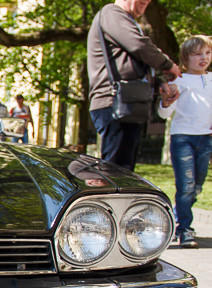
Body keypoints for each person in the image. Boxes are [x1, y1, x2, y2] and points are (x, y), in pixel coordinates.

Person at [87, 0, 181, 171]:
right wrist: (167, 65)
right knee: (115, 171)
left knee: (123, 170)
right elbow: (139, 45)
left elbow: (132, 65)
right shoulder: (111, 13)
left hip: (128, 103)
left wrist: (158, 84)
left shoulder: (125, 20)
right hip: (114, 103)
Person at [157, 35, 212, 248]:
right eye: (197, 54)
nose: (203, 58)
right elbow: (164, 114)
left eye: (207, 53)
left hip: (205, 138)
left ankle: (174, 217)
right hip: (183, 138)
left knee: (196, 186)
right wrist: (165, 102)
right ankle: (185, 229)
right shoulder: (178, 82)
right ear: (185, 58)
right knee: (186, 185)